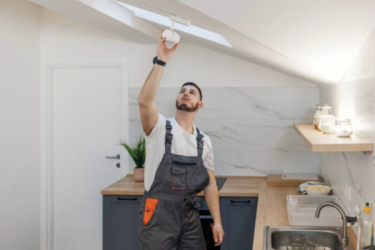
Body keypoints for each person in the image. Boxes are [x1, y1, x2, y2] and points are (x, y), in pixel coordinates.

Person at [137, 30, 225, 250]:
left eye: (192, 92)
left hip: (189, 216)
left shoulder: (203, 141)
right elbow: (145, 102)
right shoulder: (159, 128)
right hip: (158, 214)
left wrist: (218, 221)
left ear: (200, 105)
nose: (186, 93)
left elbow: (211, 184)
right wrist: (161, 60)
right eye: (182, 91)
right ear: (177, 98)